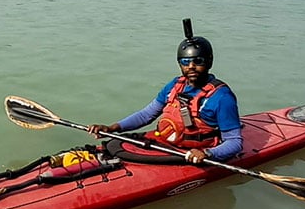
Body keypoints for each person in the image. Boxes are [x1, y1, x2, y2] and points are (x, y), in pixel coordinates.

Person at [88, 19, 242, 165]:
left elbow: (234, 142)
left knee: (119, 149)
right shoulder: (175, 85)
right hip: (165, 141)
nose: (191, 66)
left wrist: (208, 153)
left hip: (193, 152)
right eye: (185, 62)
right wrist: (111, 128)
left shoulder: (222, 97)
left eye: (198, 61)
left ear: (209, 61)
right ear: (180, 64)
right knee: (114, 144)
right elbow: (146, 115)